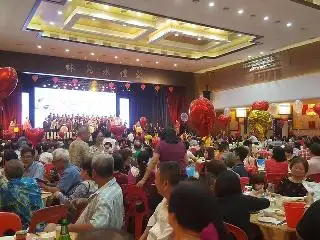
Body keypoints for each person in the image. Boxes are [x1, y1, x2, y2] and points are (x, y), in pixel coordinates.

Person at [70, 154, 123, 232]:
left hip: (99, 237)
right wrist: (86, 201)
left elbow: (97, 226)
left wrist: (69, 228)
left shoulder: (105, 196)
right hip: (113, 234)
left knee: (50, 228)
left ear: (94, 172)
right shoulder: (114, 186)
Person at [215, 171, 270, 238]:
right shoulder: (244, 200)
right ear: (237, 184)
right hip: (242, 236)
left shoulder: (212, 202)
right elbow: (266, 202)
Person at [139, 161, 181, 240]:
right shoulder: (166, 198)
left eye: (155, 179)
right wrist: (143, 237)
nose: (154, 182)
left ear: (165, 184)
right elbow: (154, 217)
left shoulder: (177, 212)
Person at [0, 160, 43, 229]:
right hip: (39, 224)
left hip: (19, 229)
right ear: (23, 171)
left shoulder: (5, 189)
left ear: (6, 174)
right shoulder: (33, 182)